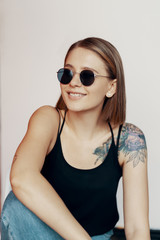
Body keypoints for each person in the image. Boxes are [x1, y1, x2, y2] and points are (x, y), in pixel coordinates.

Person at [1, 37, 150, 240]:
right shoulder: (48, 119)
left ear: (111, 87)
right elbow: (21, 178)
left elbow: (137, 229)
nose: (73, 82)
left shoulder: (129, 139)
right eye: (67, 73)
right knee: (17, 205)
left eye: (87, 76)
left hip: (96, 236)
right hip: (39, 234)